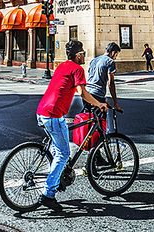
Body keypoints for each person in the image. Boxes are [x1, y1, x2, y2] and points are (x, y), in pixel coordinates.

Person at [36, 40, 107, 213]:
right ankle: (48, 193)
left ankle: (58, 176)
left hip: (43, 111)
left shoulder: (62, 66)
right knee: (64, 153)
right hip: (53, 114)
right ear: (77, 55)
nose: (84, 55)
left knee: (58, 145)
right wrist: (99, 104)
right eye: (82, 52)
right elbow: (81, 92)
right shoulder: (77, 69)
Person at [85, 42, 123, 131]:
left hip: (87, 93)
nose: (115, 57)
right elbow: (111, 83)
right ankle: (101, 142)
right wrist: (116, 103)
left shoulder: (94, 60)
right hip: (98, 94)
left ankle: (89, 142)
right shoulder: (110, 62)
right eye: (116, 55)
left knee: (89, 120)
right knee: (101, 122)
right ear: (113, 52)